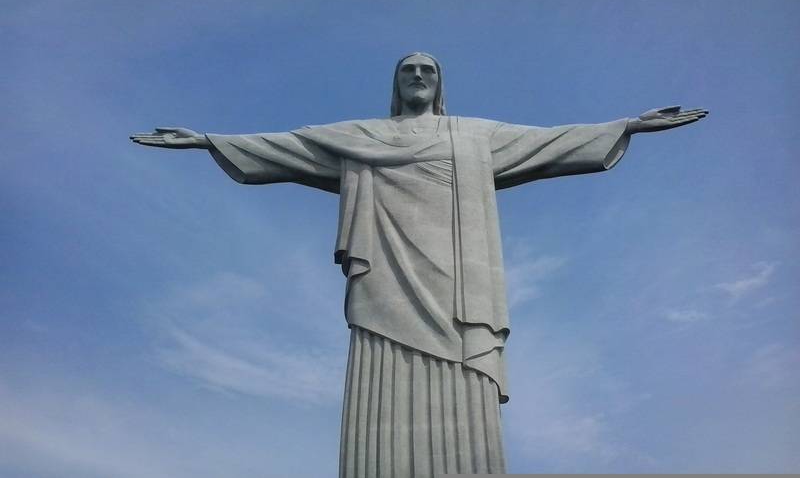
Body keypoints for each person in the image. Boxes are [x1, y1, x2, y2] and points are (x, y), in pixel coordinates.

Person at [132, 52, 707, 477]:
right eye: (407, 70)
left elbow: (550, 142)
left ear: (439, 83)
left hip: (459, 280)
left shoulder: (473, 134)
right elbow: (287, 147)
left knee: (462, 370)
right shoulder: (362, 136)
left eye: (427, 70)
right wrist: (206, 140)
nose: (417, 76)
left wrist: (627, 124)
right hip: (385, 275)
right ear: (396, 83)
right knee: (381, 368)